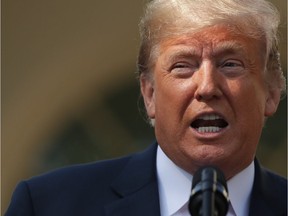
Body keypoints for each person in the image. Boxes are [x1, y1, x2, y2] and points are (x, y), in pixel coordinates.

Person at [5, 0, 287, 215]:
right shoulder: (46, 205)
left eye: (230, 64)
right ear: (150, 94)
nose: (207, 87)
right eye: (182, 66)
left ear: (272, 91)